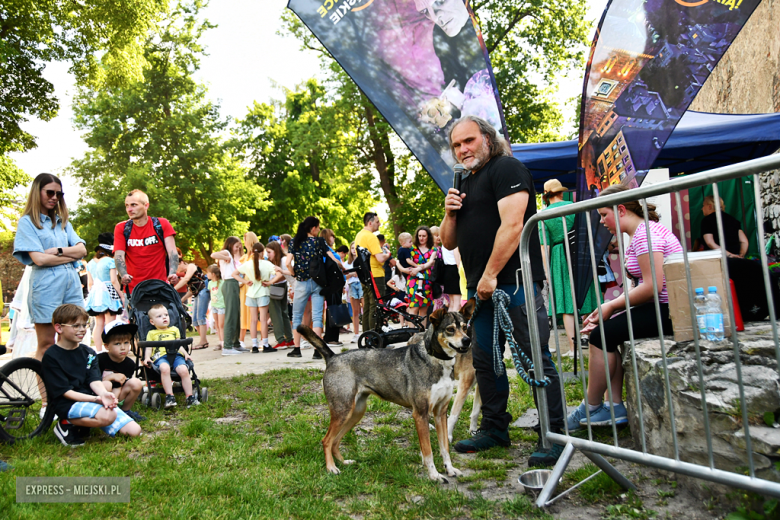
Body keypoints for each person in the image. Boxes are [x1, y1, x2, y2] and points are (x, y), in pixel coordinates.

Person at [440, 115, 564, 467]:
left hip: (511, 283)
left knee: (534, 357)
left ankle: (553, 433)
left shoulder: (507, 168)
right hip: (480, 291)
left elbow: (513, 226)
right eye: (456, 145)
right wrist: (449, 214)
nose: (463, 149)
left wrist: (491, 274)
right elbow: (448, 242)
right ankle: (495, 428)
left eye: (469, 141)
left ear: (487, 139)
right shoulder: (464, 182)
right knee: (485, 361)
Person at [568, 184, 682, 429]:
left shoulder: (644, 235)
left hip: (670, 310)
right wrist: (612, 309)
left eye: (603, 215)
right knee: (606, 329)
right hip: (664, 307)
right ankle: (614, 406)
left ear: (620, 210)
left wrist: (611, 306)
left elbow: (653, 286)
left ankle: (591, 406)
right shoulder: (641, 233)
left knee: (600, 335)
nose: (602, 222)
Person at [13, 173, 88, 364]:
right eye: (50, 192)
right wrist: (70, 257)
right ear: (37, 192)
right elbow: (39, 260)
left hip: (71, 284)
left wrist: (58, 251)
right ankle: (46, 394)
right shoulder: (28, 223)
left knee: (72, 341)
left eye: (59, 194)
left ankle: (68, 391)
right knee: (47, 344)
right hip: (46, 285)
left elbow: (82, 250)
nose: (54, 197)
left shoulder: (63, 223)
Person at [42, 304, 141, 447]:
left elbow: (94, 380)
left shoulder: (89, 352)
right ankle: (65, 423)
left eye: (84, 325)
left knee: (134, 431)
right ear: (59, 328)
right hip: (67, 403)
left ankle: (84, 424)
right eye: (76, 326)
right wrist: (97, 399)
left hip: (90, 399)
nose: (82, 329)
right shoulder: (52, 356)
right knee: (109, 415)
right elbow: (65, 392)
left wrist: (103, 394)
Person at [539, 179, 597, 353]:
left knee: (566, 302)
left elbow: (544, 247)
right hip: (581, 253)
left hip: (559, 256)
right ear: (561, 192)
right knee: (588, 295)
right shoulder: (576, 207)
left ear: (546, 196)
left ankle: (573, 349)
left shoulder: (544, 215)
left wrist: (547, 273)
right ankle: (597, 346)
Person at [288, 217, 341, 359]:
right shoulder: (320, 242)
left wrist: (294, 274)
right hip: (318, 282)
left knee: (297, 316)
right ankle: (317, 351)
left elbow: (288, 262)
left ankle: (297, 349)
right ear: (313, 228)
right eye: (318, 227)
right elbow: (333, 258)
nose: (319, 230)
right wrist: (340, 267)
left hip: (301, 282)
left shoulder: (295, 241)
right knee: (317, 317)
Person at [113, 189, 179, 296]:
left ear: (146, 205)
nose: (129, 209)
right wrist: (123, 274)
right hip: (134, 290)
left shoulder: (161, 224)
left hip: (160, 287)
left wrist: (172, 273)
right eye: (127, 205)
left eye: (134, 205)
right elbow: (119, 255)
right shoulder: (122, 228)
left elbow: (173, 253)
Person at [142, 304, 200, 409]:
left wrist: (185, 354)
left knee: (184, 370)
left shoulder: (174, 330)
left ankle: (190, 397)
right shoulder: (152, 333)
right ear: (152, 322)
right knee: (165, 368)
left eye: (166, 315)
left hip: (176, 355)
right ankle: (170, 396)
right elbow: (149, 347)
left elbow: (179, 345)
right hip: (161, 357)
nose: (164, 317)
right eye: (159, 316)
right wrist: (147, 357)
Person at [97, 320, 146, 422]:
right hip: (99, 396)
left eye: (126, 342)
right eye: (117, 344)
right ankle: (105, 412)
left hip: (118, 394)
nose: (123, 347)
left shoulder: (129, 364)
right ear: (107, 346)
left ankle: (125, 411)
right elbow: (95, 383)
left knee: (136, 383)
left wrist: (115, 400)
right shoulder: (99, 359)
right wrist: (111, 377)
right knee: (107, 384)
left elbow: (119, 385)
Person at [84, 232, 124, 352]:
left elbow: (89, 283)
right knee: (110, 323)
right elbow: (113, 280)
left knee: (98, 324)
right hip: (108, 292)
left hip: (95, 293)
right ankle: (110, 349)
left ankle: (98, 350)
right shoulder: (110, 261)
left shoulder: (91, 263)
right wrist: (121, 295)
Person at [233, 243, 276, 353]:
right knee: (263, 320)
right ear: (263, 252)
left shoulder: (247, 264)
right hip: (263, 292)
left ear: (252, 252)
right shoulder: (267, 264)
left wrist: (245, 281)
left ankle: (254, 345)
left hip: (251, 293)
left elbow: (234, 274)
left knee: (252, 320)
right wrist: (270, 282)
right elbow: (279, 273)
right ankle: (265, 344)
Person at [354, 212, 391, 333]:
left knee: (368, 307)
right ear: (370, 223)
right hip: (375, 274)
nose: (379, 224)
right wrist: (388, 255)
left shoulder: (359, 235)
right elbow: (380, 258)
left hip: (365, 275)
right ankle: (375, 338)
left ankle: (367, 336)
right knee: (376, 307)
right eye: (377, 221)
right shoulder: (371, 237)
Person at [210, 237, 246, 355]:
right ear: (230, 245)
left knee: (236, 314)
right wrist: (225, 257)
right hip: (229, 283)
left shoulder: (234, 255)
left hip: (234, 284)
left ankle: (235, 343)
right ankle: (227, 346)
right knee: (230, 314)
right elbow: (213, 254)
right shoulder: (226, 253)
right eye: (236, 246)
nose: (239, 248)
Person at [173, 250, 210, 349]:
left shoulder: (191, 267)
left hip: (203, 292)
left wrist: (172, 289)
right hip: (197, 293)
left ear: (181, 263)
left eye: (176, 267)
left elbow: (186, 279)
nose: (176, 270)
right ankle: (204, 341)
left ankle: (202, 342)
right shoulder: (186, 272)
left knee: (200, 317)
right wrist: (183, 298)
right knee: (195, 319)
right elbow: (192, 289)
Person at [265, 241, 294, 349]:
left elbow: (285, 274)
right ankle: (289, 339)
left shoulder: (282, 260)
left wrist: (271, 282)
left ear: (275, 251)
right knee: (283, 313)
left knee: (275, 314)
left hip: (277, 287)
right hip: (283, 286)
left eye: (269, 252)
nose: (268, 255)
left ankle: (281, 340)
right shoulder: (281, 259)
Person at [406, 226, 437, 324]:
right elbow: (405, 260)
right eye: (419, 236)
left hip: (427, 281)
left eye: (424, 236)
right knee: (414, 308)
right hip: (413, 280)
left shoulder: (433, 249)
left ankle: (422, 334)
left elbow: (431, 263)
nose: (421, 238)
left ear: (428, 237)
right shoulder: (412, 248)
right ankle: (412, 335)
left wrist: (418, 268)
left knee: (424, 310)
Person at [320, 228, 345, 348]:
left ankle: (332, 337)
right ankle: (331, 338)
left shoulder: (328, 249)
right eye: (332, 236)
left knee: (335, 308)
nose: (334, 238)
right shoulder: (325, 249)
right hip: (332, 283)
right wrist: (341, 265)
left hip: (337, 283)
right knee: (333, 309)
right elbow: (336, 262)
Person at [239, 232, 260, 345]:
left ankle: (259, 340)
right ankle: (241, 340)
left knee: (255, 314)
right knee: (244, 312)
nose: (244, 242)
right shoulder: (244, 257)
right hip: (244, 287)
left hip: (252, 286)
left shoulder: (255, 256)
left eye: (245, 240)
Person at [342, 242, 364, 342]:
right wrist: (351, 274)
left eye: (355, 248)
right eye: (352, 248)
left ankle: (366, 331)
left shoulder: (362, 260)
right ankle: (356, 334)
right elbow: (344, 276)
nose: (354, 250)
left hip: (361, 284)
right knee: (355, 311)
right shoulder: (347, 263)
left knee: (365, 308)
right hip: (352, 285)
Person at [207, 265, 226, 351]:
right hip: (214, 306)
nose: (207, 274)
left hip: (221, 306)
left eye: (208, 272)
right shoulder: (210, 283)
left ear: (213, 274)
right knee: (217, 324)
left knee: (221, 325)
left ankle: (224, 342)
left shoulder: (222, 283)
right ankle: (220, 341)